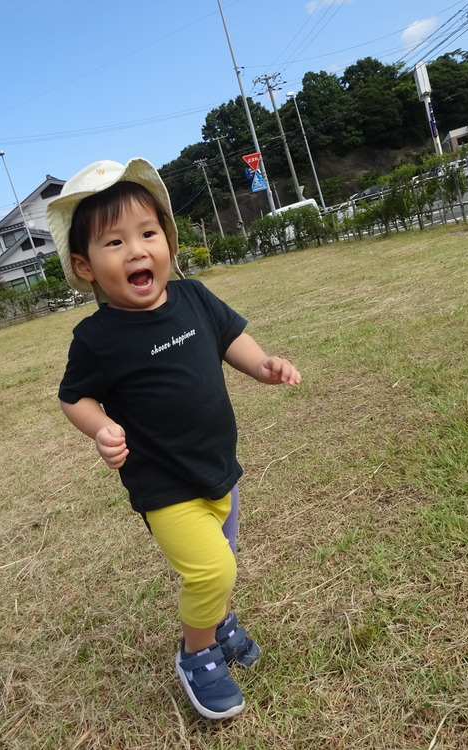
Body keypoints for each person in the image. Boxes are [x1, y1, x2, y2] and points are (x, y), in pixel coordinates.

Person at [46, 158, 301, 720]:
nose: (136, 250)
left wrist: (263, 365)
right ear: (85, 266)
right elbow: (74, 397)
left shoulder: (194, 297)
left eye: (148, 233)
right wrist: (100, 427)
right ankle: (197, 653)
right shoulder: (97, 337)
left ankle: (219, 621)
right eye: (115, 242)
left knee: (223, 558)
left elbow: (232, 340)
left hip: (217, 468)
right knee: (211, 570)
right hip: (163, 484)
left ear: (167, 240)